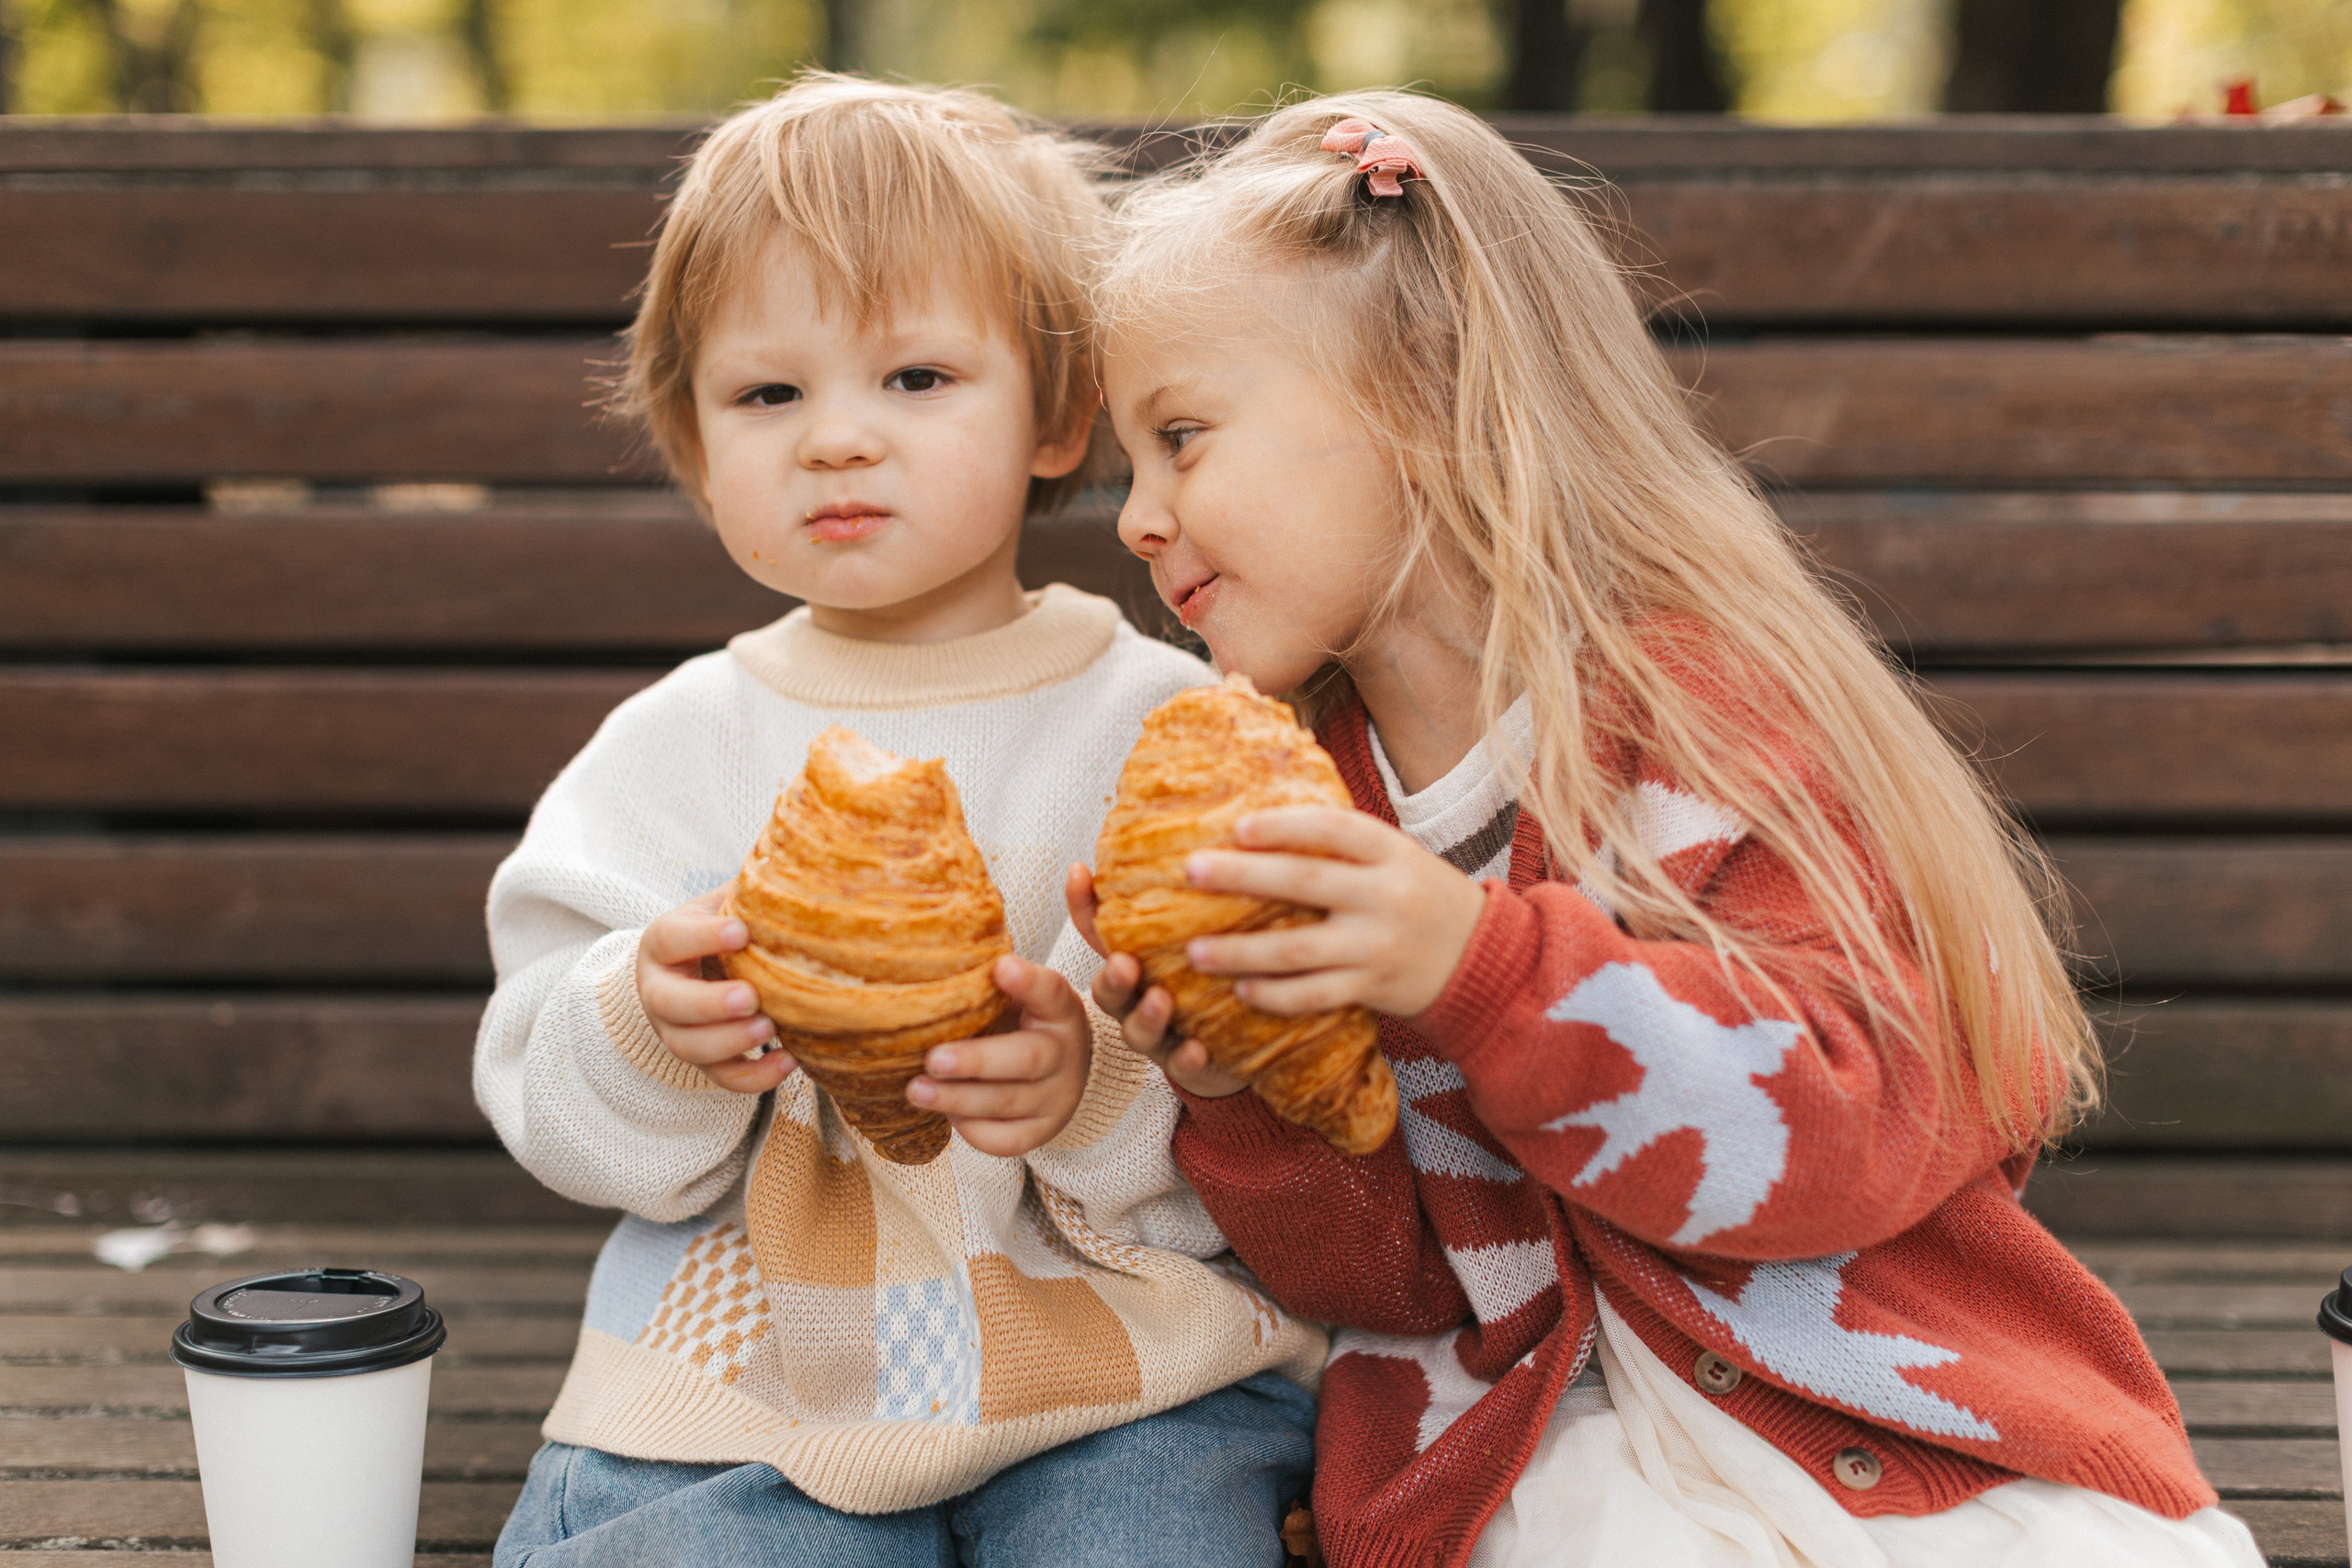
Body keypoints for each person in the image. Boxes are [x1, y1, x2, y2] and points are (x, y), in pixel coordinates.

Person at [1072, 91, 2264, 1568]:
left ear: (1426, 399)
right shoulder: (1309, 797)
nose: (1137, 517)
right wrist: (1259, 1092)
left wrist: (1479, 967)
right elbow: (1389, 1287)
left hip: (1882, 1409)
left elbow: (1837, 1131)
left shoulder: (1702, 720)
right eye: (1133, 464)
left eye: (1181, 437)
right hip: (1529, 1446)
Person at [475, 74, 1320, 1567]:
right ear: (693, 437)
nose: (838, 440)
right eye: (769, 394)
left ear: (1062, 416)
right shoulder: (677, 749)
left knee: (1153, 1539)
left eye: (916, 380)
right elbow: (548, 1095)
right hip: (757, 1356)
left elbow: (1256, 1069)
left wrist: (1090, 1089)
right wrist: (649, 1026)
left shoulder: (1160, 728)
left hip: (1107, 1341)